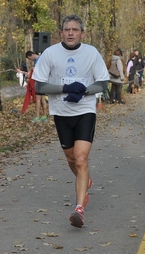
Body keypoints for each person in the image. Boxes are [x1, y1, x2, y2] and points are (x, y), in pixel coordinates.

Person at [32, 14, 109, 228]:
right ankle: (85, 182)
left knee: (81, 158)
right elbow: (39, 86)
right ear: (61, 33)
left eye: (75, 29)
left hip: (85, 111)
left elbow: (102, 83)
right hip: (61, 113)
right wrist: (65, 88)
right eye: (67, 29)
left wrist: (83, 91)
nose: (71, 33)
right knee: (71, 160)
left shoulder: (91, 53)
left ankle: (79, 209)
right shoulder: (50, 53)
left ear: (82, 33)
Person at [25, 51, 48, 122]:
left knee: (38, 100)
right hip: (44, 81)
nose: (30, 60)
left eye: (30, 58)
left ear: (31, 55)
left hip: (39, 82)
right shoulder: (41, 59)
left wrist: (32, 70)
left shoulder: (39, 60)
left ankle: (37, 117)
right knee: (43, 99)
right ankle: (44, 116)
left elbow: (38, 71)